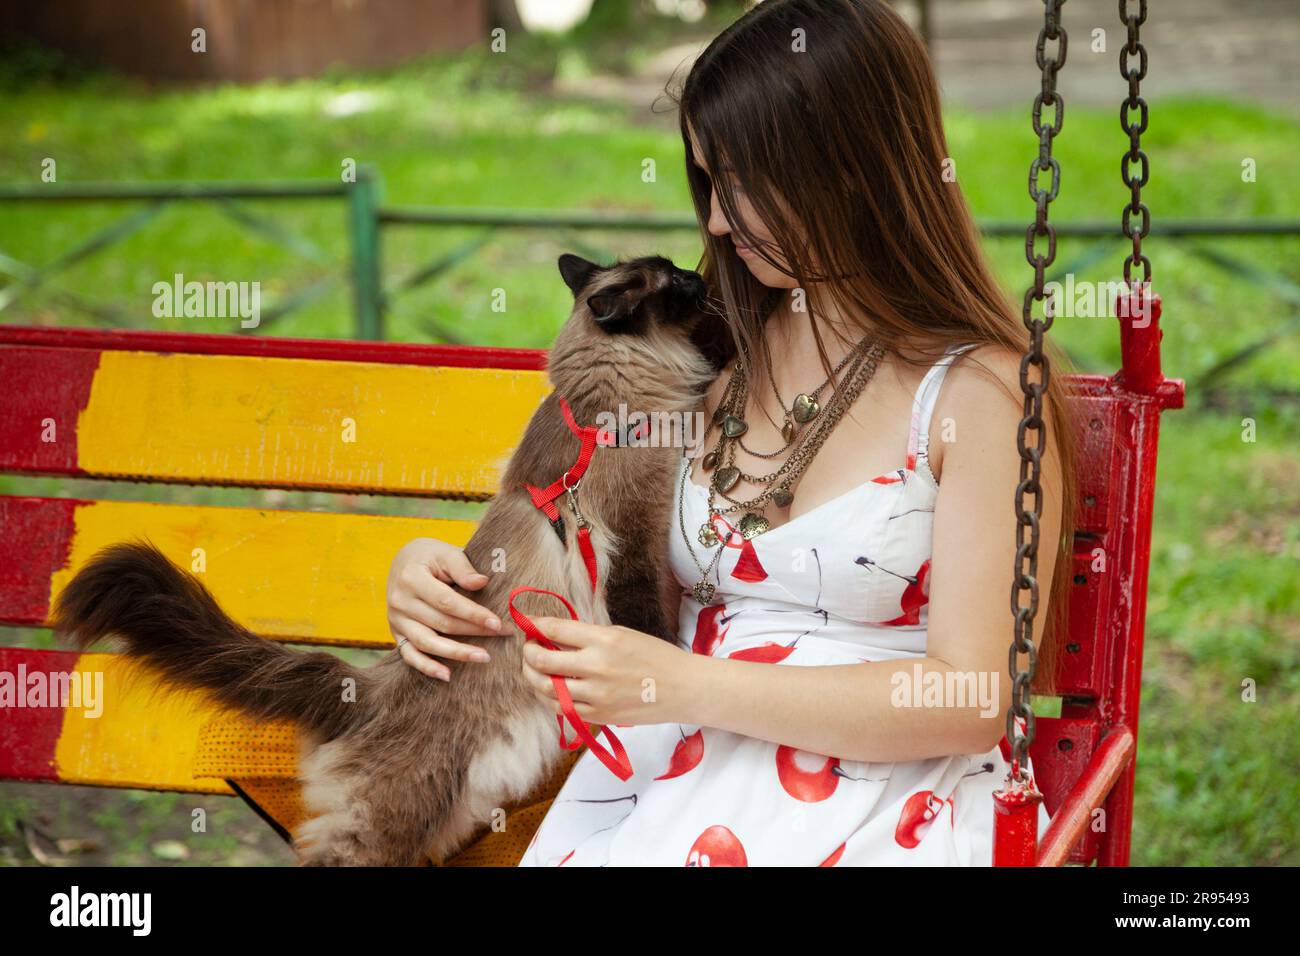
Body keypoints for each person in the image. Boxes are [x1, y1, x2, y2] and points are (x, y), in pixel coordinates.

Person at [385, 0, 1075, 866]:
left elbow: (973, 698)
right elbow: (586, 553)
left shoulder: (978, 396)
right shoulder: (709, 363)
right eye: (709, 183)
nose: (713, 222)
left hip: (883, 806)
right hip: (675, 786)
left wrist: (684, 683)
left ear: (850, 170)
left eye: (743, 185)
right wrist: (437, 579)